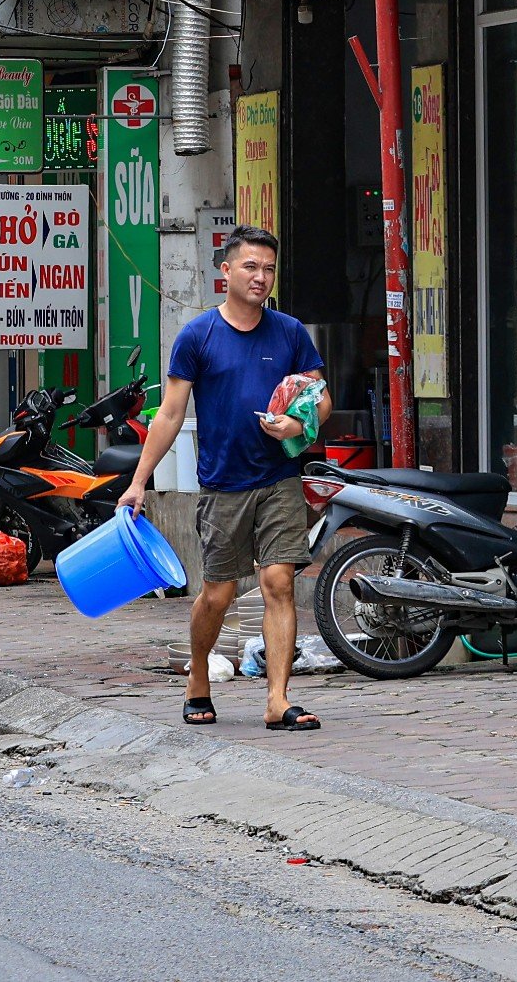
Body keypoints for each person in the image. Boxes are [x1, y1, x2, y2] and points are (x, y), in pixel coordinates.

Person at [120, 226, 330, 733]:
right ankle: (198, 680)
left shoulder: (290, 332)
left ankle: (277, 700)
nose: (261, 277)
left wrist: (299, 425)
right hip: (222, 484)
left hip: (279, 477)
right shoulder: (199, 336)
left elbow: (321, 397)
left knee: (278, 582)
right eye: (251, 267)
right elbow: (169, 414)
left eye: (269, 269)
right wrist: (138, 481)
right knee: (218, 593)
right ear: (227, 271)